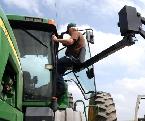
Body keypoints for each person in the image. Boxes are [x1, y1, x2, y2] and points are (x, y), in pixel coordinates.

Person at [52, 23, 86, 98]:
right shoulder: (77, 38)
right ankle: (58, 87)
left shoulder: (75, 32)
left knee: (54, 66)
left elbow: (69, 41)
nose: (68, 33)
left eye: (68, 31)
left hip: (73, 59)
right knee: (59, 72)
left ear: (70, 29)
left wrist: (56, 39)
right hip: (74, 59)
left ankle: (60, 89)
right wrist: (61, 37)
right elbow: (66, 43)